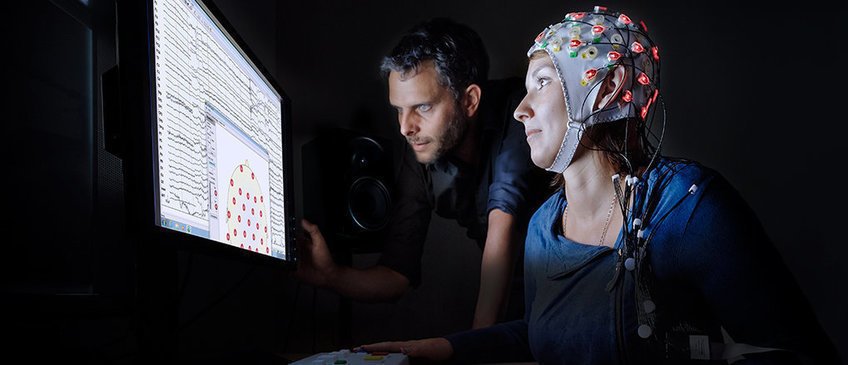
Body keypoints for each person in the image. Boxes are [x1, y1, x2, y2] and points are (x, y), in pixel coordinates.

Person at [359, 7, 841, 364]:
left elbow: (797, 354)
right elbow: (539, 333)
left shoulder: (686, 206)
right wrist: (431, 349)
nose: (520, 109)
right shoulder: (543, 227)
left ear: (604, 90)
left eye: (543, 83)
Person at [297, 18, 552, 328]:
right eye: (398, 109)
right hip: (511, 295)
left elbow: (503, 219)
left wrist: (476, 347)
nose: (405, 127)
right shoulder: (420, 151)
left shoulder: (516, 111)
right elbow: (397, 275)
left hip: (571, 283)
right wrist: (330, 276)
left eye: (423, 107)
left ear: (469, 100)